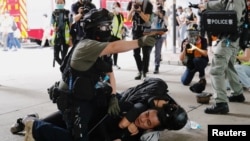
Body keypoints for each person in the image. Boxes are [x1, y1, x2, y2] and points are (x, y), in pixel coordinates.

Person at [17, 8, 157, 141]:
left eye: (109, 26)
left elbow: (110, 72)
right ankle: (34, 126)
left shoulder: (100, 46)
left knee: (99, 116)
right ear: (94, 29)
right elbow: (114, 47)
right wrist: (140, 42)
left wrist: (113, 95)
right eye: (104, 27)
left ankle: (33, 121)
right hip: (73, 99)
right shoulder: (87, 45)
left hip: (87, 94)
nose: (107, 30)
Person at [11, 77, 188, 141]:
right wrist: (124, 126)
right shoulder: (137, 104)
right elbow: (132, 109)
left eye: (148, 122)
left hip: (89, 127)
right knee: (54, 127)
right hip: (86, 113)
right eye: (147, 114)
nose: (144, 118)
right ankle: (31, 122)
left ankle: (32, 122)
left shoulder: (145, 132)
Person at [197, 0, 246, 114]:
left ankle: (221, 103)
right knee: (229, 66)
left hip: (229, 39)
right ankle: (238, 93)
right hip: (232, 39)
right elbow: (222, 3)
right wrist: (206, 5)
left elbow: (233, 19)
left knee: (215, 70)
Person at [127, 0, 153, 80]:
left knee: (145, 53)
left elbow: (146, 19)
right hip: (135, 31)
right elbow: (128, 19)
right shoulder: (131, 3)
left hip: (145, 31)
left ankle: (145, 72)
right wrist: (132, 10)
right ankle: (140, 70)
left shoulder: (148, 4)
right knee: (136, 53)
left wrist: (139, 11)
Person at [179, 24, 208, 93]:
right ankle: (190, 73)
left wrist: (196, 48)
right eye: (190, 33)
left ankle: (202, 77)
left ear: (198, 33)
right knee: (184, 82)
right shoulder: (185, 41)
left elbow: (205, 53)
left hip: (201, 62)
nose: (192, 35)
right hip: (191, 65)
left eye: (193, 33)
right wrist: (184, 49)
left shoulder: (203, 40)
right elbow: (181, 59)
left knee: (197, 59)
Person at [51, 0, 72, 66]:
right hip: (57, 36)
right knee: (56, 56)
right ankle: (64, 67)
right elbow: (52, 23)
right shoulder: (54, 13)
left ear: (64, 3)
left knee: (64, 56)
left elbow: (71, 24)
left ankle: (64, 71)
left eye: (61, 2)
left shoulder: (68, 12)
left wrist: (71, 36)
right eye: (58, 3)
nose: (59, 4)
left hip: (66, 37)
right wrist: (54, 28)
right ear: (56, 3)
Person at [151, 4, 167, 74]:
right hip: (152, 36)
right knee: (148, 51)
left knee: (157, 52)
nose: (158, 11)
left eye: (159, 9)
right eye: (157, 9)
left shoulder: (164, 16)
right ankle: (145, 67)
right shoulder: (153, 16)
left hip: (159, 37)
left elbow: (166, 25)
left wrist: (162, 17)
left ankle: (156, 66)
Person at [110, 1, 124, 70]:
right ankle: (108, 63)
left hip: (118, 35)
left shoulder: (121, 15)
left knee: (116, 50)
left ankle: (115, 63)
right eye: (114, 6)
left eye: (117, 6)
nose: (115, 7)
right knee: (110, 50)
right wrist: (113, 12)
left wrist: (122, 30)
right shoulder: (111, 14)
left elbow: (122, 25)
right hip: (111, 35)